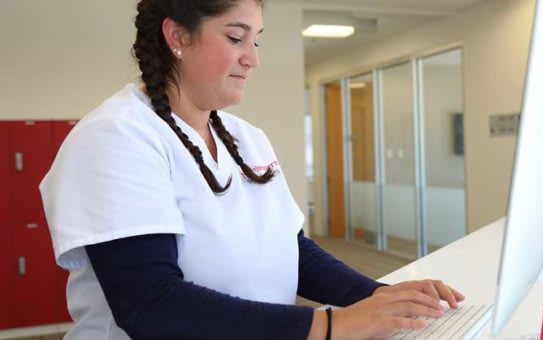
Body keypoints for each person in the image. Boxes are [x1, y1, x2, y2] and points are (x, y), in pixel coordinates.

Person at [39, 0, 465, 339]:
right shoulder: (117, 136)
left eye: (255, 41)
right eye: (236, 37)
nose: (252, 59)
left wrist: (379, 296)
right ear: (177, 35)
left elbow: (292, 249)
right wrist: (332, 326)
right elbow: (150, 305)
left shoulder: (246, 137)